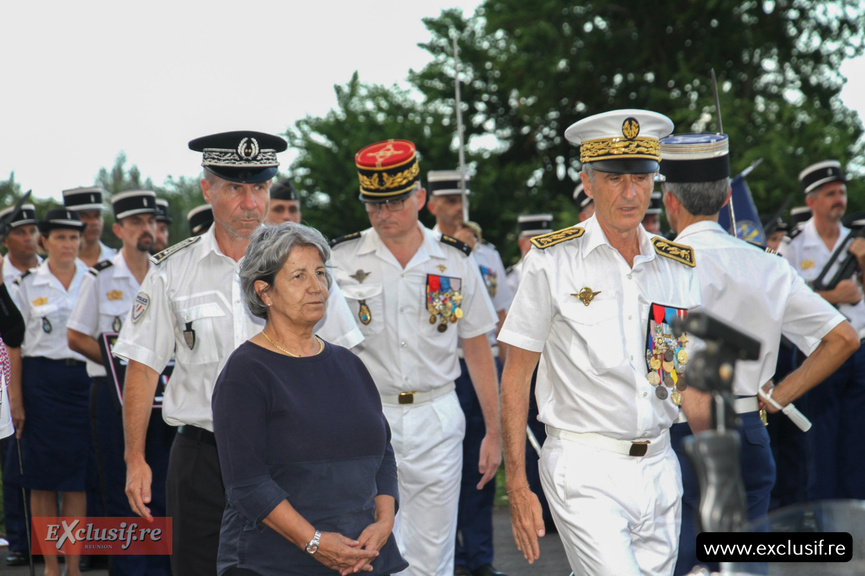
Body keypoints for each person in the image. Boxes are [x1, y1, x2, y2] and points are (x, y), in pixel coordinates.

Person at [113, 131, 363, 576]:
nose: (251, 203)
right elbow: (143, 365)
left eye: (260, 188)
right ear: (207, 188)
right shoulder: (172, 271)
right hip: (203, 461)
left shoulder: (303, 262)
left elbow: (341, 362)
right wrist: (136, 458)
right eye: (235, 188)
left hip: (291, 458)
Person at [498, 109, 704, 576]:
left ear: (657, 182)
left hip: (659, 464)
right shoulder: (551, 262)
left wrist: (725, 452)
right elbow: (517, 373)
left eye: (641, 178)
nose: (630, 193)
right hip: (583, 466)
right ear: (587, 183)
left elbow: (679, 374)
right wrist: (517, 483)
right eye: (614, 179)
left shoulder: (676, 267)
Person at [658, 133, 859, 576]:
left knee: (683, 559)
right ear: (728, 196)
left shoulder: (660, 266)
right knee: (746, 564)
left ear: (670, 202)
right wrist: (777, 396)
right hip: (749, 425)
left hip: (677, 431)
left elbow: (665, 368)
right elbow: (843, 338)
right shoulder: (768, 263)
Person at [329, 139, 501, 576]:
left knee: (433, 549)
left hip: (436, 416)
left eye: (395, 202)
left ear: (420, 198)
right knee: (367, 546)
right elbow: (329, 350)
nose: (384, 214)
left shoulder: (455, 259)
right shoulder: (343, 259)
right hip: (368, 417)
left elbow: (478, 349)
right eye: (374, 205)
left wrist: (495, 432)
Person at [212, 223, 407, 576]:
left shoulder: (349, 364)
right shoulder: (245, 374)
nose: (317, 287)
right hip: (275, 561)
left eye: (320, 273)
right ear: (265, 292)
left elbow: (383, 455)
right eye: (299, 276)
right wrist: (315, 542)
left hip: (362, 559)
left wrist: (384, 523)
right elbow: (247, 485)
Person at [67, 190, 172, 576]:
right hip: (114, 398)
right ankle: (129, 568)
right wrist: (118, 366)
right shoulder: (101, 277)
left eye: (150, 222)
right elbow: (75, 336)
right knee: (120, 484)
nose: (146, 229)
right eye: (135, 223)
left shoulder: (168, 270)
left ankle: (161, 567)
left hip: (164, 398)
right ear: (118, 230)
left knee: (161, 487)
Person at [8, 208, 91, 576]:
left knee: (77, 480)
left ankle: (74, 566)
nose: (68, 244)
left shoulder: (93, 279)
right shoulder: (27, 284)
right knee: (42, 481)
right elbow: (14, 347)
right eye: (60, 237)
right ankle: (51, 566)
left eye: (74, 237)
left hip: (82, 384)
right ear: (45, 241)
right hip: (40, 383)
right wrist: (15, 398)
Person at [434, 191, 512, 576]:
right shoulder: (429, 252)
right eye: (448, 199)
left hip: (481, 367)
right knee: (441, 471)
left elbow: (501, 317)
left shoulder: (487, 255)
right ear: (430, 205)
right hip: (444, 372)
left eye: (462, 197)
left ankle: (480, 558)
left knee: (479, 468)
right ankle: (451, 557)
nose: (457, 205)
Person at [780, 159, 865, 501]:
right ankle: (827, 526)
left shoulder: (856, 241)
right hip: (819, 352)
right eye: (830, 194)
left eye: (841, 192)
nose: (838, 200)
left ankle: (857, 524)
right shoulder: (794, 244)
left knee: (857, 441)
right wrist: (832, 295)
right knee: (821, 441)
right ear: (812, 201)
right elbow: (782, 299)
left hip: (859, 349)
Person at [63, 186, 116, 267]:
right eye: (84, 216)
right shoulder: (58, 264)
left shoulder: (115, 260)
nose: (94, 222)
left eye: (97, 215)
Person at [504, 214, 553, 297]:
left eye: (547, 241)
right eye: (537, 242)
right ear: (522, 243)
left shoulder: (559, 271)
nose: (544, 246)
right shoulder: (513, 278)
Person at [1, 204, 41, 284]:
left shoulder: (54, 269)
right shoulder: (1, 274)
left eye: (33, 231)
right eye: (20, 233)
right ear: (5, 241)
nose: (29, 238)